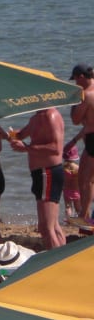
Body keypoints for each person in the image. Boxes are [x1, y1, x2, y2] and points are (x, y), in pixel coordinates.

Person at [10, 107, 66, 249]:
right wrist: (6, 134)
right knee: (53, 225)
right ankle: (63, 259)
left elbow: (56, 148)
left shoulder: (50, 115)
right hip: (40, 174)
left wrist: (27, 148)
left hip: (48, 172)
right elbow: (21, 135)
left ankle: (55, 264)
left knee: (46, 227)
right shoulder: (37, 117)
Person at [69, 63, 94, 223]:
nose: (76, 83)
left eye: (76, 80)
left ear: (82, 77)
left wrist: (74, 100)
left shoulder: (86, 95)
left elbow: (75, 120)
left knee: (85, 180)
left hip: (92, 139)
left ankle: (84, 216)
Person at [63, 144, 81, 220]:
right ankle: (80, 219)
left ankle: (69, 219)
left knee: (68, 206)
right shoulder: (78, 168)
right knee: (78, 208)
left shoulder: (63, 168)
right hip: (77, 191)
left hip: (66, 190)